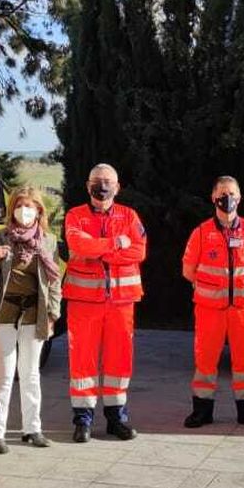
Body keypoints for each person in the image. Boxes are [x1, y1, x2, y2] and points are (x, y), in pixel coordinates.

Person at [62, 164, 147, 443]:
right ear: (88, 186)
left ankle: (116, 419)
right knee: (82, 362)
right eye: (97, 181)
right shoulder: (75, 216)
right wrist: (117, 243)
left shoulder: (129, 215)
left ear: (118, 186)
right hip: (84, 301)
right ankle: (82, 421)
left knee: (119, 360)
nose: (102, 186)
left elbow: (139, 251)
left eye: (108, 181)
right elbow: (80, 246)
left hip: (121, 302)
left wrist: (100, 249)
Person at [0, 187, 63, 453]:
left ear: (39, 210)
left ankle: (32, 429)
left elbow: (54, 279)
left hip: (34, 314)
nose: (24, 211)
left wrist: (52, 313)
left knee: (31, 374)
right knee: (2, 374)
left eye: (30, 206)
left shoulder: (48, 241)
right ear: (12, 209)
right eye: (19, 205)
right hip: (3, 313)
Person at [181, 176, 244, 430]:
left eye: (231, 193)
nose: (227, 198)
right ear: (213, 197)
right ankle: (201, 411)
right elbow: (188, 270)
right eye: (222, 193)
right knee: (205, 360)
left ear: (239, 198)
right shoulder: (201, 233)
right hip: (210, 310)